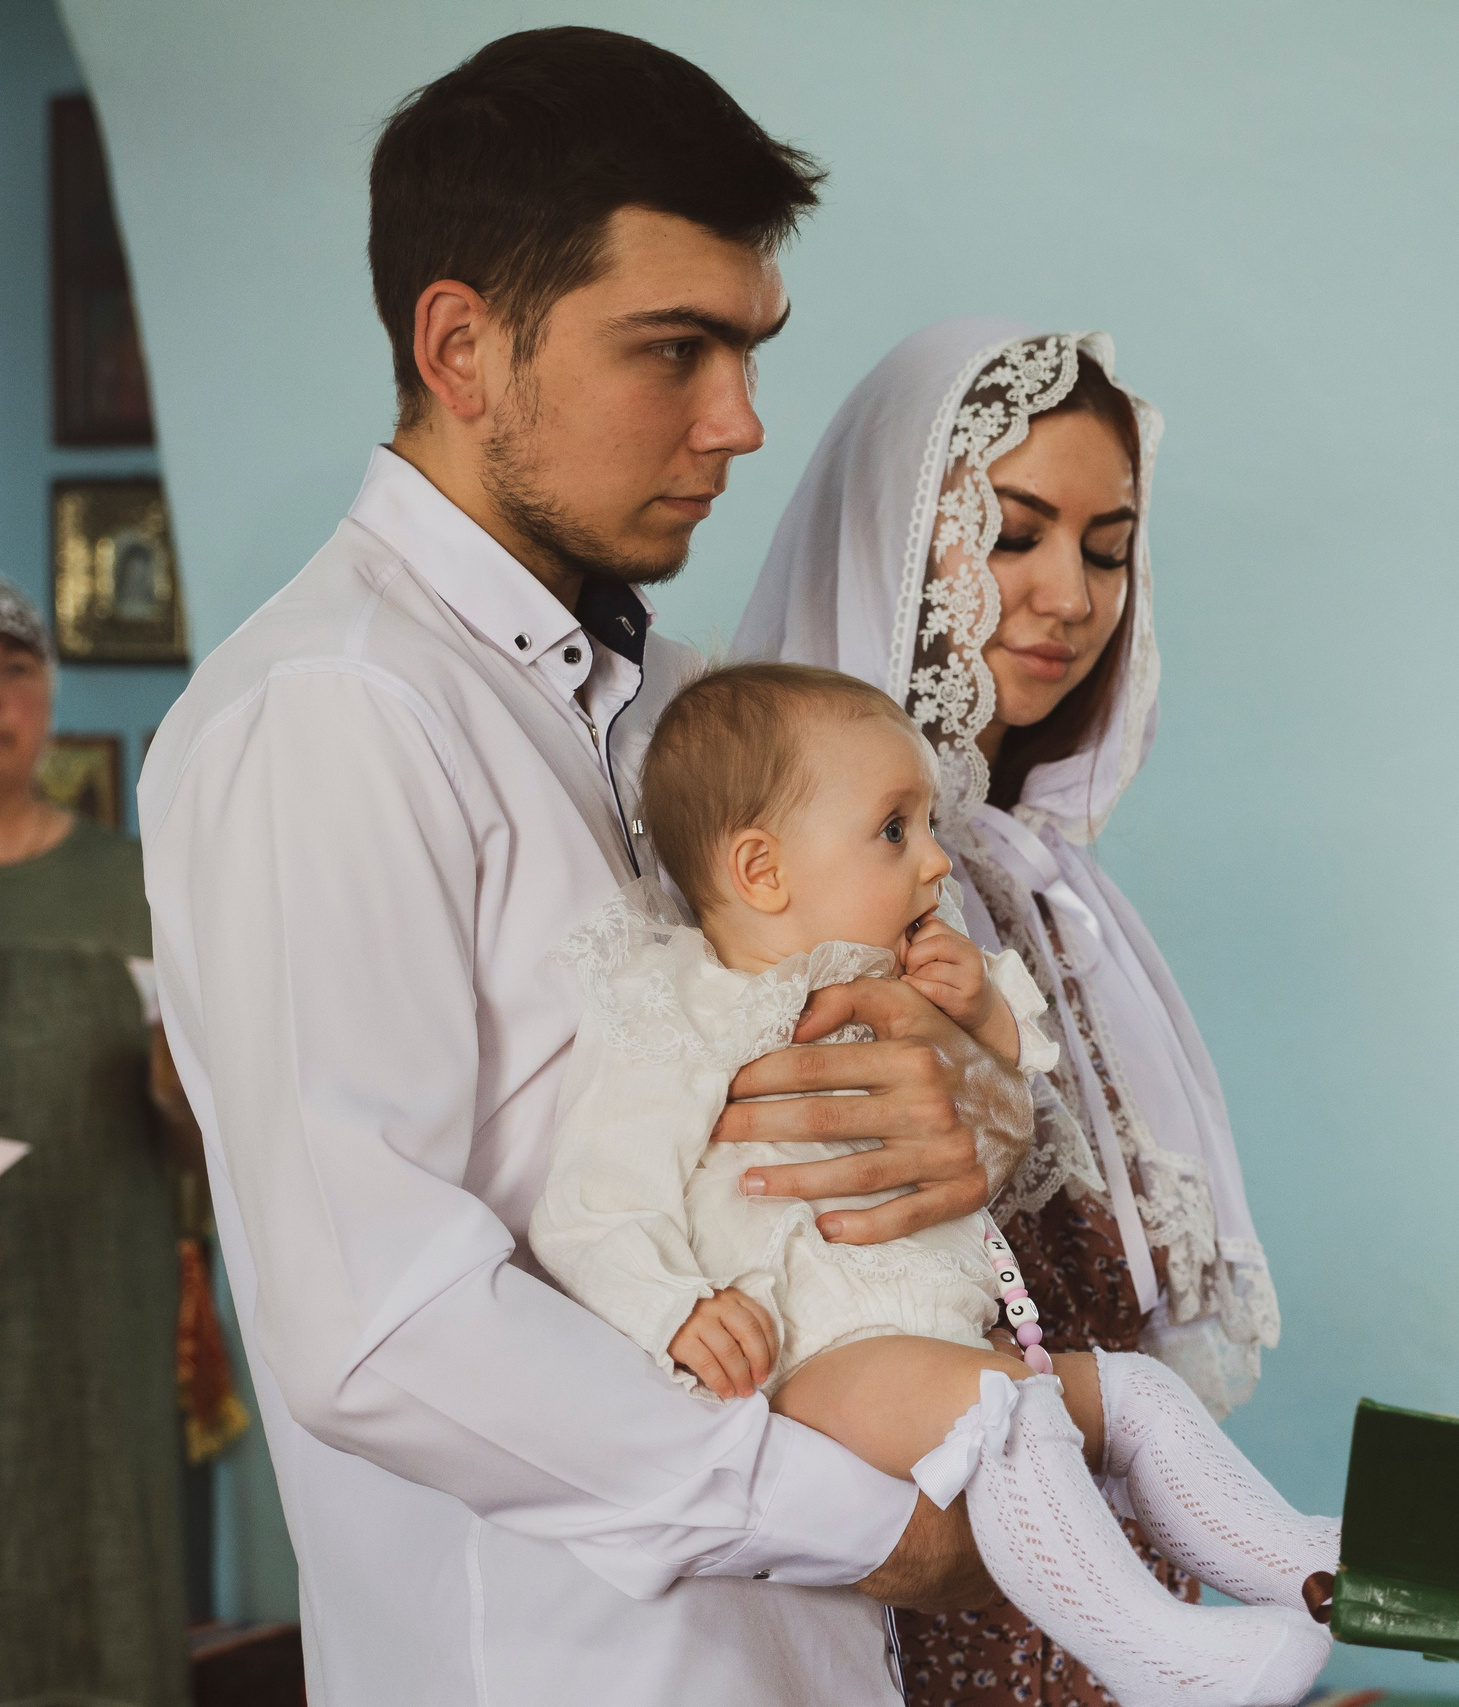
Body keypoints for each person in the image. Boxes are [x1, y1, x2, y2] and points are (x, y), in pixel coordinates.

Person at [139, 31, 1034, 1706]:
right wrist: (865, 1523)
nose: (743, 421)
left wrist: (946, 1108)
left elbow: (874, 1076)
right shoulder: (329, 717)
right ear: (461, 345)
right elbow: (383, 1322)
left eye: (753, 350)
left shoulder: (693, 707)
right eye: (674, 350)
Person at [534, 663, 1338, 1707]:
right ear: (763, 870)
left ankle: (1304, 1565)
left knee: (1135, 1394)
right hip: (818, 1358)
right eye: (895, 830)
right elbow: (593, 1201)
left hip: (936, 1338)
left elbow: (1022, 1082)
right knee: (1004, 1416)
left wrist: (987, 1024)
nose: (934, 862)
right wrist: (675, 1307)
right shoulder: (682, 1011)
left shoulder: (908, 975)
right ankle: (1155, 1653)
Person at [739, 322, 1285, 1707]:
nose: (1068, 595)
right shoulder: (821, 901)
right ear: (897, 533)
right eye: (1012, 533)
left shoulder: (1044, 883)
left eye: (1107, 548)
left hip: (1100, 1575)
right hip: (943, 1575)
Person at [0, 577, 194, 1707]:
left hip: (93, 1338)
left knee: (104, 1590)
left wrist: (182, 1097)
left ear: (48, 700)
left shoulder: (134, 891)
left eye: (15, 672)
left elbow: (196, 1156)